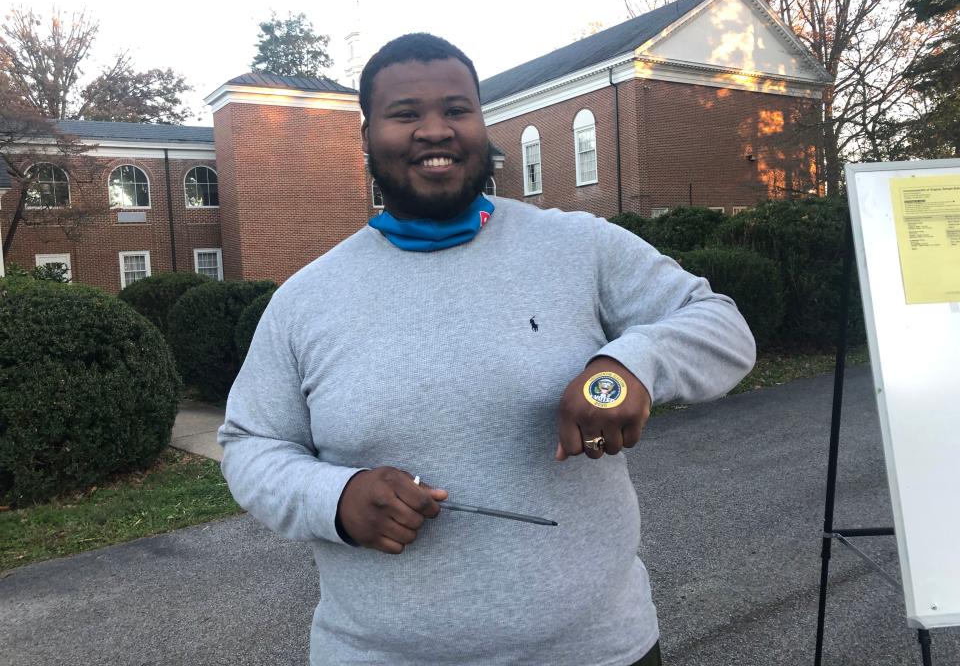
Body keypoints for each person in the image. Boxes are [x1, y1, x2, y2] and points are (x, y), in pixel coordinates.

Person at [218, 32, 756, 666]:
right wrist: (333, 500)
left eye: (456, 109)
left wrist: (625, 367)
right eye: (405, 114)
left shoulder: (579, 247)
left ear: (481, 122)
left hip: (597, 651)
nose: (435, 130)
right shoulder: (306, 299)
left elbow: (722, 327)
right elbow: (251, 443)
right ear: (366, 136)